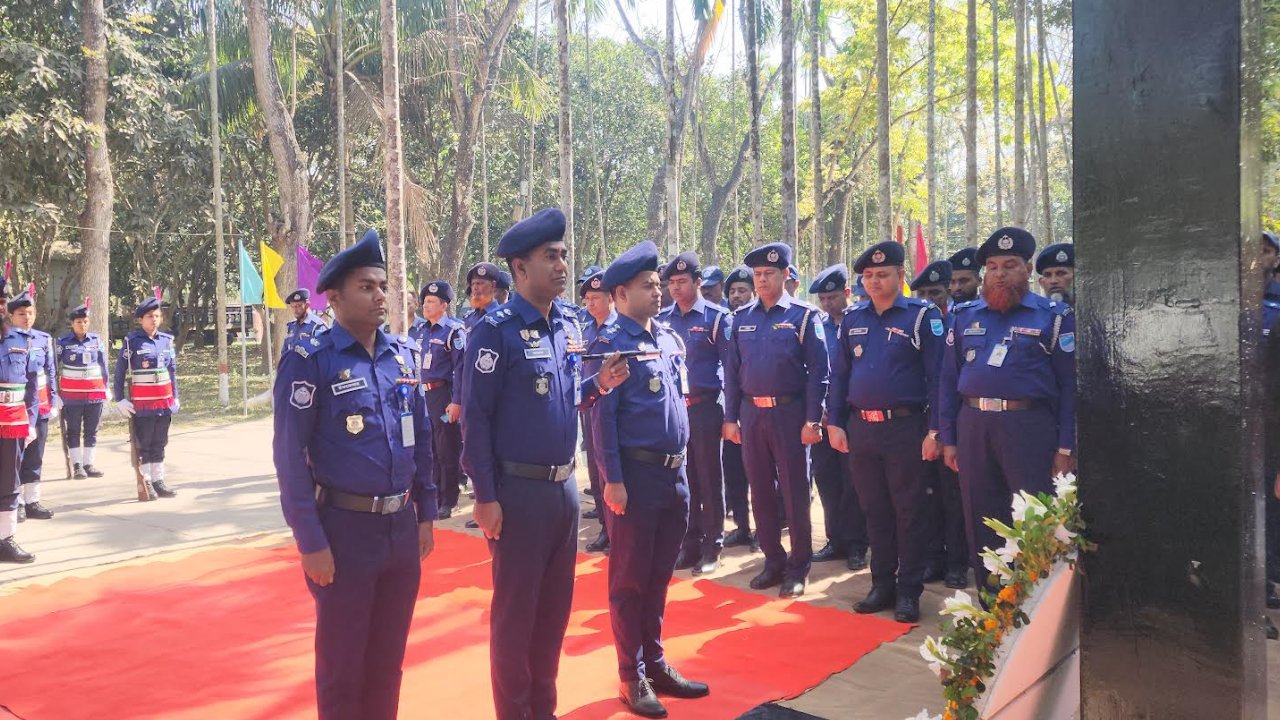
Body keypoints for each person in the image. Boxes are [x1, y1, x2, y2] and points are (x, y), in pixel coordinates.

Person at [462, 208, 630, 720]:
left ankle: (543, 710)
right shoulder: (495, 331)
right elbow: (476, 419)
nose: (561, 266)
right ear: (519, 267)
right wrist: (485, 497)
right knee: (516, 619)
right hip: (517, 494)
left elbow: (561, 396)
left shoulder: (566, 324)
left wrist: (598, 385)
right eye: (550, 257)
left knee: (553, 615)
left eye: (562, 255)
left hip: (563, 491)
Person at [272, 230, 437, 720]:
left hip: (399, 528)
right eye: (366, 286)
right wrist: (310, 540)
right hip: (344, 531)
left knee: (387, 661)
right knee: (343, 666)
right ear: (335, 297)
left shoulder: (402, 355)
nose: (380, 295)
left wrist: (426, 512)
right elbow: (289, 455)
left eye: (382, 285)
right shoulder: (310, 360)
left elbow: (422, 439)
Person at [590, 240, 711, 718]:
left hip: (673, 474)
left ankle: (655, 663)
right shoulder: (610, 343)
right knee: (629, 581)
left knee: (659, 575)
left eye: (658, 284)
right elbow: (603, 417)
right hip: (635, 478)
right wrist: (612, 479)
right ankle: (630, 674)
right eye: (647, 286)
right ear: (621, 294)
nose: (658, 292)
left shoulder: (666, 337)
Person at [939, 227, 1076, 585]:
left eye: (1009, 265)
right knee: (981, 516)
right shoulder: (965, 316)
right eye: (993, 267)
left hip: (1028, 428)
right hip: (973, 426)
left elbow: (1069, 387)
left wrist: (1065, 448)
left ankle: (1032, 604)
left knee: (1034, 518)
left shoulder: (1053, 317)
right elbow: (948, 381)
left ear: (1027, 270)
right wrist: (948, 439)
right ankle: (991, 604)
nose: (999, 274)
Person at [826, 243, 944, 623]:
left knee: (908, 511)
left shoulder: (921, 316)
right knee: (873, 509)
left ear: (900, 276)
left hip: (906, 428)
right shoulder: (853, 318)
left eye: (883, 274)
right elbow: (839, 375)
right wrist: (835, 422)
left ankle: (908, 590)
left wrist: (936, 430)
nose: (875, 281)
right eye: (869, 276)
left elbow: (939, 378)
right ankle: (881, 584)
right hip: (862, 428)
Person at [723, 242, 828, 598]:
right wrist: (731, 418)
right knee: (760, 490)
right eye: (757, 274)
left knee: (795, 492)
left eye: (769, 273)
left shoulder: (804, 316)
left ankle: (799, 566)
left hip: (790, 413)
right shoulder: (742, 318)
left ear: (785, 275)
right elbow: (732, 372)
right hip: (751, 414)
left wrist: (813, 419)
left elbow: (819, 373)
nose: (762, 280)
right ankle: (773, 560)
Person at [659, 251, 730, 575]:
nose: (675, 287)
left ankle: (712, 545)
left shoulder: (716, 318)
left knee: (709, 478)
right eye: (672, 282)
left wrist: (731, 415)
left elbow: (731, 369)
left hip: (705, 408)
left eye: (682, 281)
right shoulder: (664, 320)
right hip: (676, 410)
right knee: (683, 479)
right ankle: (689, 542)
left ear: (698, 282)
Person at [911, 260, 970, 589]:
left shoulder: (960, 321)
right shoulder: (913, 323)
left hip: (953, 422)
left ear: (948, 291)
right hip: (919, 420)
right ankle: (933, 557)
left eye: (934, 292)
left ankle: (957, 563)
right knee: (926, 494)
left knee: (953, 496)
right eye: (922, 294)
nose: (928, 299)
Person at [807, 264, 870, 572]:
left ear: (847, 293)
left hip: (850, 415)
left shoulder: (860, 322)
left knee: (853, 482)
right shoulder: (818, 326)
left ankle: (857, 544)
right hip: (822, 417)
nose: (827, 304)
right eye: (822, 299)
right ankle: (835, 540)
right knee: (827, 480)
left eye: (832, 297)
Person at [114, 295, 179, 499]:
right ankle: (147, 481)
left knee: (160, 442)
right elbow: (120, 371)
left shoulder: (166, 341)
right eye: (150, 316)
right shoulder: (132, 341)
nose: (154, 319)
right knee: (145, 443)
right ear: (140, 319)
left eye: (157, 316)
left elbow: (172, 371)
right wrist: (119, 398)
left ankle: (159, 481)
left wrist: (175, 396)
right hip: (143, 404)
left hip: (164, 401)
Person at [412, 281, 465, 520]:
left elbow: (461, 369)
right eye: (425, 301)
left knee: (446, 448)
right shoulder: (422, 331)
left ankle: (448, 499)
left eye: (431, 302)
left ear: (444, 305)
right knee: (429, 448)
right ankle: (433, 496)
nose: (426, 305)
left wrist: (457, 401)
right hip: (424, 396)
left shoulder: (453, 331)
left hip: (444, 396)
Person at [9, 288, 58, 522]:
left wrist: (54, 399)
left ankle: (32, 501)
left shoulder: (43, 339)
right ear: (11, 316)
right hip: (15, 410)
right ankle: (16, 501)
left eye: (30, 313)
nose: (27, 317)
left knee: (35, 456)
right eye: (21, 313)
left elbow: (50, 371)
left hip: (40, 408)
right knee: (15, 457)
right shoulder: (6, 340)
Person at [0, 277, 39, 563]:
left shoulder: (22, 340)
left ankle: (5, 539)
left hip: (12, 422)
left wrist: (31, 422)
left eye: (2, 302)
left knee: (9, 482)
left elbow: (32, 386)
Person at [579, 268, 616, 554]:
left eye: (596, 298)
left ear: (611, 298)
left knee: (611, 469)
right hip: (589, 407)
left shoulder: (619, 330)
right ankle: (605, 527)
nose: (591, 304)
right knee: (595, 469)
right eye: (587, 299)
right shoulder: (587, 329)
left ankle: (617, 530)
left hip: (612, 408)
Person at [721, 266, 757, 551]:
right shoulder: (725, 322)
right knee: (734, 473)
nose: (736, 296)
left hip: (759, 410)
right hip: (732, 409)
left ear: (753, 293)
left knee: (762, 477)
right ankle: (742, 528)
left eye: (742, 290)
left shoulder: (760, 321)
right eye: (732, 291)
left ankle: (763, 531)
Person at [56, 299, 110, 480]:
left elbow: (103, 365)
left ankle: (88, 464)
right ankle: (77, 465)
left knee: (91, 430)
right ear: (72, 323)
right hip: (71, 397)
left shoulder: (96, 340)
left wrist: (107, 387)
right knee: (73, 430)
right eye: (79, 322)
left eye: (85, 321)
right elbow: (52, 368)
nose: (83, 325)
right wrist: (54, 394)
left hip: (95, 394)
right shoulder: (62, 342)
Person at [284, 289, 328, 356]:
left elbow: (323, 353)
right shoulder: (291, 326)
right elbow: (285, 351)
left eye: (298, 306)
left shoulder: (317, 326)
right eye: (292, 307)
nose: (295, 310)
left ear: (307, 305)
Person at [464, 262, 504, 332]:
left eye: (479, 283)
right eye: (473, 284)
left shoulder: (502, 318)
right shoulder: (468, 318)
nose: (475, 288)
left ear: (493, 285)